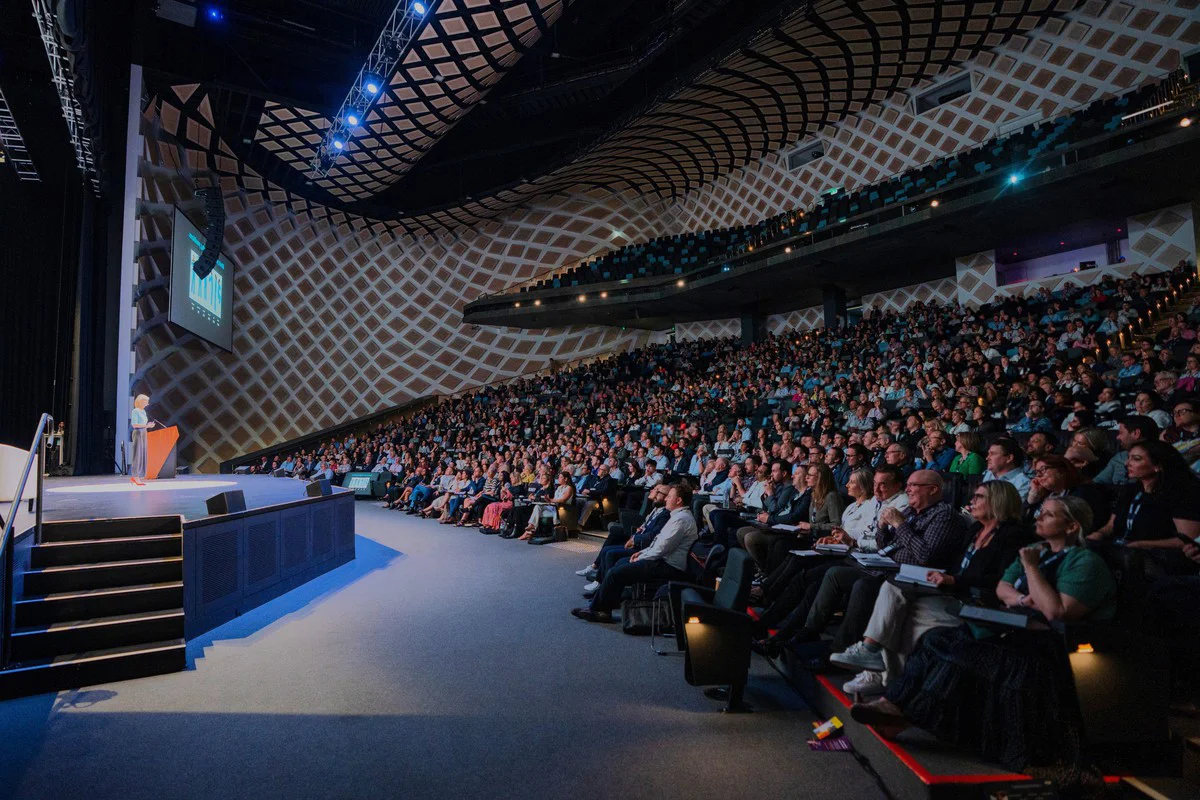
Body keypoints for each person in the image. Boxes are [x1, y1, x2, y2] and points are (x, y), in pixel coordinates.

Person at [852, 496, 1115, 779]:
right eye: (1040, 512)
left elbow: (1057, 612)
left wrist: (1031, 570)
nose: (1038, 517)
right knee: (937, 639)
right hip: (1017, 627)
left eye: (1048, 515)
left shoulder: (1084, 562)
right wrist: (1024, 599)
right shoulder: (1037, 550)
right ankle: (895, 704)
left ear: (1072, 526)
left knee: (962, 652)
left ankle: (902, 715)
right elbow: (1003, 588)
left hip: (1051, 646)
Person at [831, 480, 1028, 696]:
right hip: (950, 594)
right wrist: (883, 527)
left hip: (976, 603)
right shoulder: (975, 529)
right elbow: (888, 546)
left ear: (998, 501)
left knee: (902, 615)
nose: (972, 501)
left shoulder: (1012, 535)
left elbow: (1000, 580)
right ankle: (880, 672)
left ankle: (881, 673)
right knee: (892, 591)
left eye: (979, 497)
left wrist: (954, 580)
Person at [571, 483, 699, 623]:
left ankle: (599, 611)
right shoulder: (677, 516)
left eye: (669, 496)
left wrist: (641, 556)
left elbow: (661, 549)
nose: (666, 499)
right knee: (620, 563)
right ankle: (605, 605)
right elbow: (658, 543)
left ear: (679, 500)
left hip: (669, 566)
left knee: (616, 572)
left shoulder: (681, 519)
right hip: (662, 560)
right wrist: (642, 553)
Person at [1088, 439, 1200, 568]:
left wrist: (1141, 545)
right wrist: (1100, 534)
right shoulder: (1131, 490)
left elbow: (1188, 539)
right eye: (1129, 458)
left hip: (1158, 561)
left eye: (1136, 459)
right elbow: (1111, 525)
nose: (1127, 463)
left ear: (1158, 466)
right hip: (1120, 551)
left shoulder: (1182, 494)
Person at [1094, 415, 1158, 485]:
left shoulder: (1159, 458)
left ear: (1136, 433)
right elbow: (1098, 482)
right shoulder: (1120, 457)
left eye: (1121, 432)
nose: (1117, 437)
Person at [129, 393, 157, 486]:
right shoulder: (135, 411)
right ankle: (135, 476)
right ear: (141, 401)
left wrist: (148, 425)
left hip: (144, 432)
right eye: (146, 402)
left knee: (142, 454)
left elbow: (143, 424)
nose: (147, 404)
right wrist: (147, 426)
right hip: (138, 433)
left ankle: (139, 476)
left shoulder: (143, 411)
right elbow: (134, 425)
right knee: (137, 454)